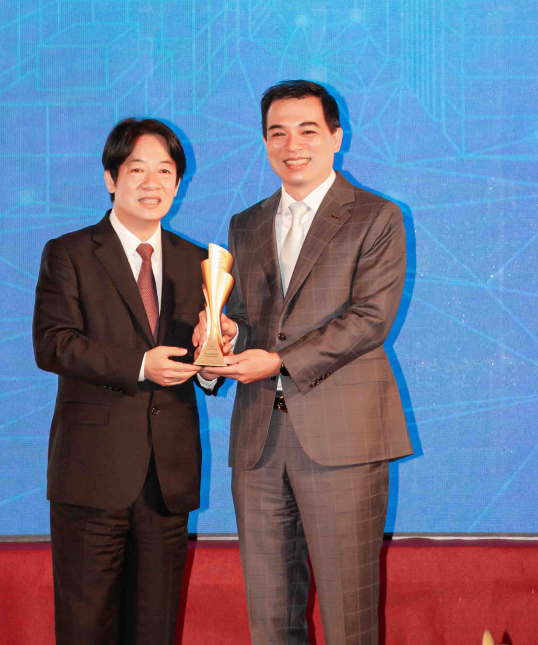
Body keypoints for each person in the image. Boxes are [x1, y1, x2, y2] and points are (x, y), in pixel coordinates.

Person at [197, 80, 413, 645]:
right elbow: (247, 317)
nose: (292, 145)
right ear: (265, 142)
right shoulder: (246, 223)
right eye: (277, 133)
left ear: (336, 137)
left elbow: (370, 319)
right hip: (258, 442)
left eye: (308, 130)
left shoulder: (377, 216)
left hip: (343, 442)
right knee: (270, 621)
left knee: (348, 620)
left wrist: (276, 361)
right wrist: (222, 336)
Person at [33, 118, 209, 645]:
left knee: (155, 629)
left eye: (165, 171)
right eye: (137, 170)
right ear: (111, 178)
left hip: (167, 479)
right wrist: (139, 366)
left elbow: (201, 360)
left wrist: (214, 357)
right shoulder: (69, 253)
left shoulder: (197, 261)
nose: (152, 183)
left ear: (178, 183)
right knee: (86, 628)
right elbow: (54, 344)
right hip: (92, 476)